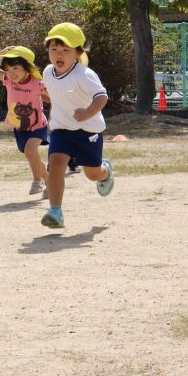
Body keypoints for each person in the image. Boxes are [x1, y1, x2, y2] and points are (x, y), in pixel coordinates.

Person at [41, 22, 114, 228]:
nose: (58, 54)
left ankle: (105, 171)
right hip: (61, 130)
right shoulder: (48, 72)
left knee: (92, 174)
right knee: (55, 165)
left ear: (78, 53)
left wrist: (88, 112)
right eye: (54, 49)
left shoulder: (84, 74)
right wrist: (46, 97)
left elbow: (101, 97)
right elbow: (57, 94)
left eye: (65, 50)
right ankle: (55, 211)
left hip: (87, 131)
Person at [0, 45, 49, 196]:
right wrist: (1, 53)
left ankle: (37, 181)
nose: (11, 73)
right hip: (20, 127)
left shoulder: (37, 83)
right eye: (7, 69)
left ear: (27, 66)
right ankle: (49, 181)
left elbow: (52, 98)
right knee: (31, 155)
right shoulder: (8, 81)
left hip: (38, 126)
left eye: (15, 68)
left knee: (30, 151)